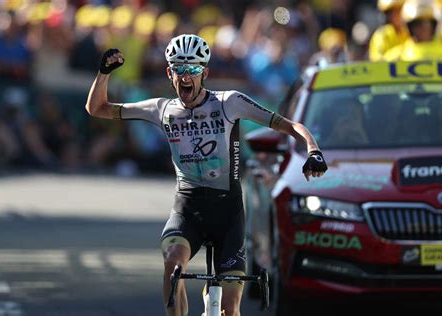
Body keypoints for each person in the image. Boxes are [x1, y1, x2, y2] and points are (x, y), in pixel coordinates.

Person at [85, 34, 328, 316]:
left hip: (228, 213)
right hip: (188, 207)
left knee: (229, 309)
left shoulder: (230, 103)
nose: (185, 77)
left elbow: (290, 126)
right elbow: (97, 109)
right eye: (179, 69)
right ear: (169, 72)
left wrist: (313, 150)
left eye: (193, 70)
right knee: (173, 264)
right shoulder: (162, 109)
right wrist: (103, 74)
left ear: (205, 73)